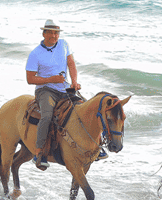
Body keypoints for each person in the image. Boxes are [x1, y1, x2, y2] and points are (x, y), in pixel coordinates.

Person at [25, 19, 106, 170]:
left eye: (56, 33)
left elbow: (71, 64)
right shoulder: (35, 53)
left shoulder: (64, 44)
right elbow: (30, 79)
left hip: (64, 88)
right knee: (47, 116)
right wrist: (51, 79)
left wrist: (74, 82)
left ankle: (97, 146)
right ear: (44, 33)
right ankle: (39, 152)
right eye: (50, 33)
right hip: (45, 90)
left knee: (90, 110)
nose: (54, 36)